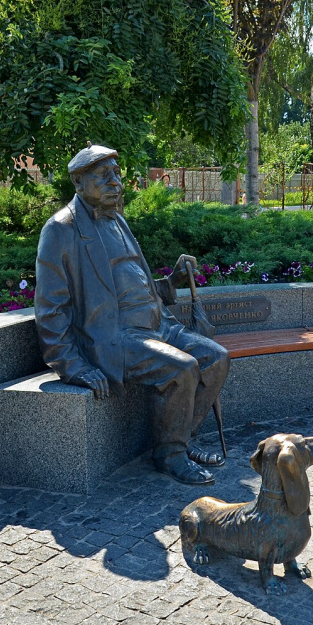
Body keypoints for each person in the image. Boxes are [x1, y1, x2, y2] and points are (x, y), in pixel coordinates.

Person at [35, 145, 229, 485]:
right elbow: (50, 309)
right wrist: (74, 366)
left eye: (117, 174)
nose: (116, 182)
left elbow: (134, 286)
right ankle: (170, 455)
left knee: (216, 357)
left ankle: (182, 439)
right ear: (79, 183)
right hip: (116, 337)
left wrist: (173, 282)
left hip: (157, 326)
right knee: (183, 368)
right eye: (104, 176)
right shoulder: (61, 230)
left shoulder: (117, 219)